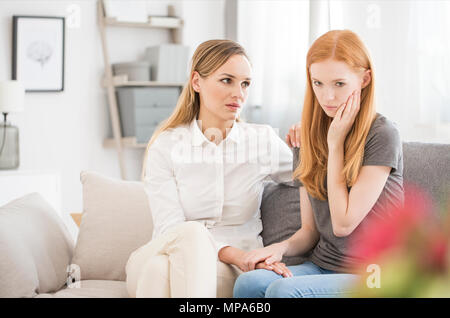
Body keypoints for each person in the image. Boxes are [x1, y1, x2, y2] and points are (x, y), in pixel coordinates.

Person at [233, 29, 404, 298]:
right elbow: (310, 231)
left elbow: (343, 224)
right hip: (324, 266)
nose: (328, 97)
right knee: (248, 284)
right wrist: (281, 248)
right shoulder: (307, 136)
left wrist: (335, 144)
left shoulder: (382, 134)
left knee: (281, 292)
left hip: (376, 275)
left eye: (339, 84)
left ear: (364, 79)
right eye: (318, 83)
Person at [125, 39, 296, 298]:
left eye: (245, 83)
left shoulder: (262, 142)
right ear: (196, 82)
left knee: (158, 274)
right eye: (227, 80)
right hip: (166, 252)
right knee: (189, 236)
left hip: (222, 271)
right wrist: (238, 255)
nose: (238, 93)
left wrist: (311, 140)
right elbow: (169, 229)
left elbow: (313, 180)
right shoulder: (167, 144)